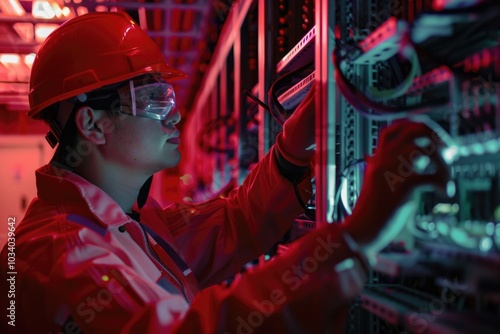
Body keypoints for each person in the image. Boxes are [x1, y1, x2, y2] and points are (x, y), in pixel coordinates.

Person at [0, 11, 450, 333]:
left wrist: (292, 149)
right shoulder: (55, 256)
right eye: (154, 100)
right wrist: (356, 236)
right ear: (92, 123)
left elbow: (234, 222)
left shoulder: (129, 224)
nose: (174, 117)